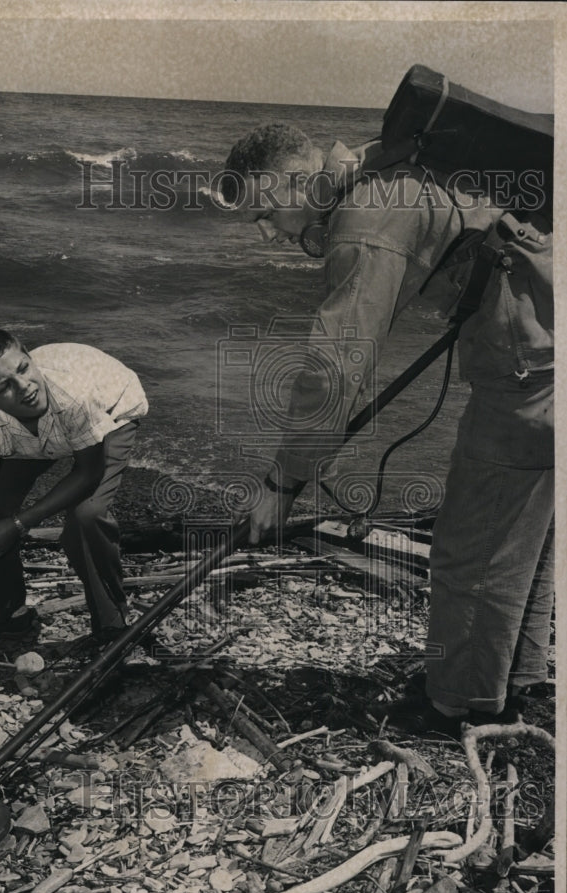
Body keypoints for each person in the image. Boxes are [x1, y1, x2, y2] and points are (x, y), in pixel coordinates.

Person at [219, 124, 554, 738]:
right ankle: (512, 680)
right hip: (536, 346)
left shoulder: (363, 221)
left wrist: (282, 482)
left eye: (266, 212)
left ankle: (459, 706)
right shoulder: (373, 169)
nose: (268, 232)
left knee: (473, 540)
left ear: (299, 181)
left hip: (531, 371)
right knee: (520, 533)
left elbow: (333, 369)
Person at [0, 327, 148, 687]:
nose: (25, 386)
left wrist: (20, 523)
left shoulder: (73, 395)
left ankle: (112, 626)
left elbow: (88, 472)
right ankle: (8, 611)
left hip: (110, 409)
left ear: (29, 356)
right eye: (5, 387)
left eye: (24, 368)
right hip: (36, 433)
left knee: (85, 517)